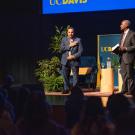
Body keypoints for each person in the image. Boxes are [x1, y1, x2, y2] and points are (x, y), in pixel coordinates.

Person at [60, 27, 83, 94]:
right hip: (65, 61)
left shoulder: (78, 40)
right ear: (67, 33)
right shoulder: (64, 39)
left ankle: (74, 90)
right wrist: (70, 45)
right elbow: (61, 49)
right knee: (65, 76)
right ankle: (66, 89)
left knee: (75, 76)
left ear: (74, 32)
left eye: (72, 32)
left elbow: (80, 51)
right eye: (69, 32)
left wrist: (73, 56)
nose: (70, 33)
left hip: (74, 60)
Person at [119, 20, 135, 95]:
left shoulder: (132, 34)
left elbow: (134, 46)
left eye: (122, 24)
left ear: (126, 25)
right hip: (122, 57)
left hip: (129, 57)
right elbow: (121, 46)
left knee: (129, 75)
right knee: (123, 74)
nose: (120, 25)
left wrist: (125, 48)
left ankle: (131, 90)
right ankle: (124, 89)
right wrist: (116, 50)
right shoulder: (122, 34)